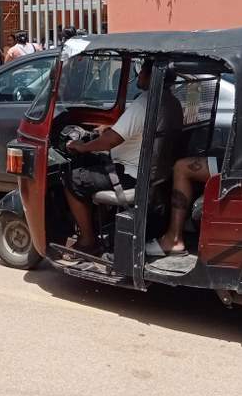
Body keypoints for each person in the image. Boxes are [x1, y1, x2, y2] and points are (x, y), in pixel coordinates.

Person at [61, 61, 171, 255]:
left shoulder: (144, 103)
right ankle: (100, 227)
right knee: (92, 167)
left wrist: (83, 146)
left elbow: (110, 141)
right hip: (152, 175)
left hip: (130, 175)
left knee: (73, 179)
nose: (139, 75)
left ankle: (88, 241)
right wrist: (108, 129)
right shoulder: (170, 102)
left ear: (151, 75)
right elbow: (129, 130)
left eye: (142, 70)